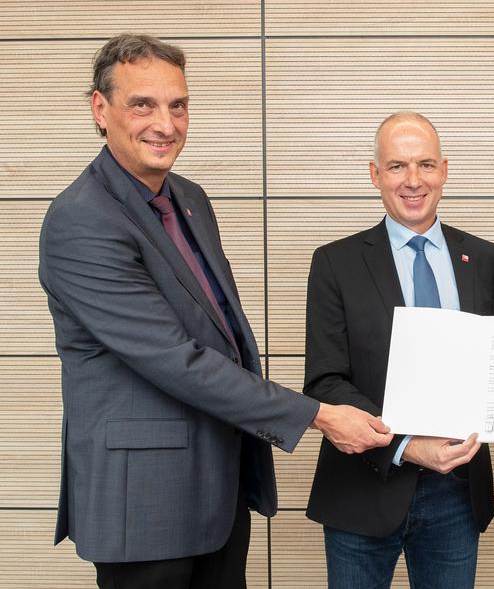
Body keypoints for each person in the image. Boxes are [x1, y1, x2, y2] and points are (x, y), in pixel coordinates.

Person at [38, 33, 391, 589]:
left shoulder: (189, 198)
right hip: (144, 503)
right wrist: (318, 415)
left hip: (219, 488)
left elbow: (223, 333)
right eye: (143, 104)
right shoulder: (82, 221)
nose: (166, 123)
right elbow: (176, 359)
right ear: (99, 110)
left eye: (178, 104)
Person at [303, 111, 494, 588]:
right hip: (362, 489)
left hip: (456, 492)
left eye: (426, 165)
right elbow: (326, 381)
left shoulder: (484, 258)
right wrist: (407, 447)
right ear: (375, 174)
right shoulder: (335, 262)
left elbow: (492, 363)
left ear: (445, 170)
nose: (413, 181)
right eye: (397, 166)